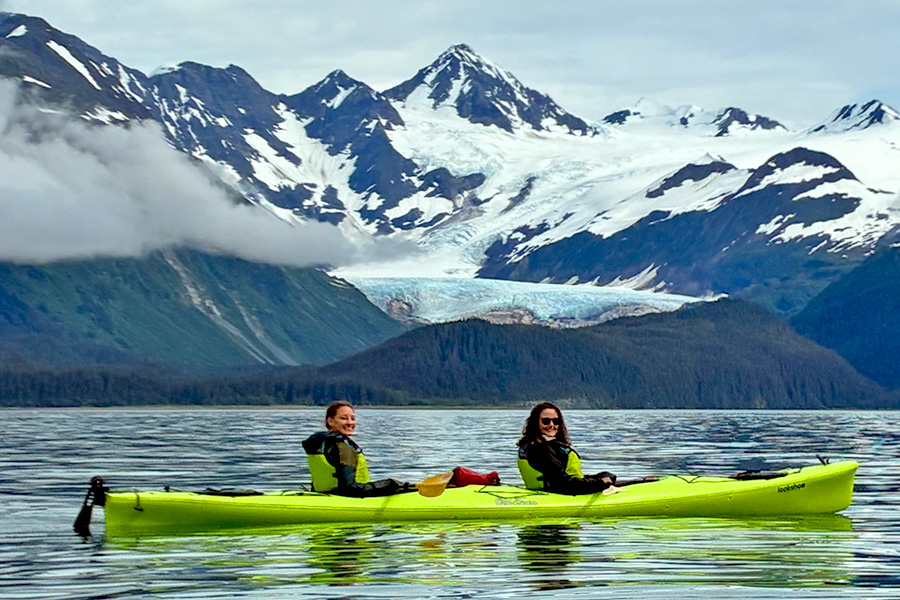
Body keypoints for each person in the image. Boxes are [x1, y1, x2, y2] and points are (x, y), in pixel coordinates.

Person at [302, 400, 412, 497]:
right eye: (343, 418)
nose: (350, 423)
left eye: (353, 418)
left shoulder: (320, 445)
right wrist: (388, 484)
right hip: (347, 498)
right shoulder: (343, 448)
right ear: (330, 421)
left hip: (324, 495)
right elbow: (349, 489)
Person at [517, 402, 619, 495]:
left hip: (547, 492)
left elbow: (562, 477)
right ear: (535, 423)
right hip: (559, 494)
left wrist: (597, 478)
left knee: (609, 477)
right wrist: (599, 483)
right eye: (546, 421)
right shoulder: (540, 450)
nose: (551, 425)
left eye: (556, 421)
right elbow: (563, 484)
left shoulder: (534, 446)